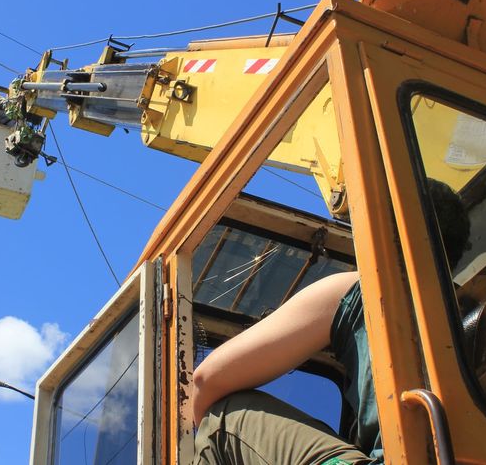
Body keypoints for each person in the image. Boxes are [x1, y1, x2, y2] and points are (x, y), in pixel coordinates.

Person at [191, 179, 471, 465]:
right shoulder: (474, 307)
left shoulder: (365, 290)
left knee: (221, 422)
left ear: (377, 226)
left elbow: (206, 381)